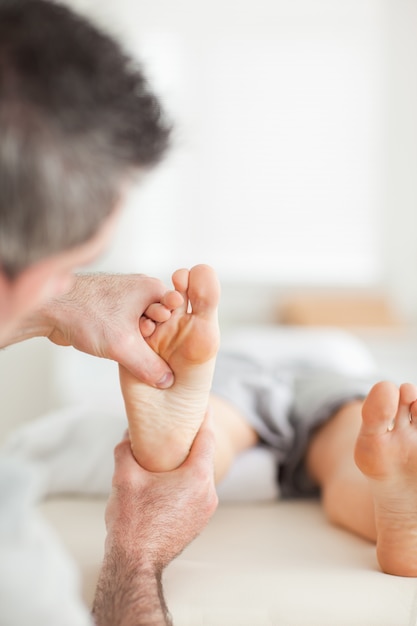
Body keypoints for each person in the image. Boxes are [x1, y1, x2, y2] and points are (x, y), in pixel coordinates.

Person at [0, 1, 217, 625]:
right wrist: (137, 553)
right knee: (246, 427)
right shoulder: (14, 570)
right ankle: (178, 448)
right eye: (72, 264)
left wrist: (59, 303)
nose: (75, 281)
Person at [120, 264, 417, 579]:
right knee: (346, 441)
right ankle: (388, 508)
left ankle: (177, 451)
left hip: (238, 371)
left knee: (219, 419)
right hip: (326, 384)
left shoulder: (251, 340)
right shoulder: (337, 346)